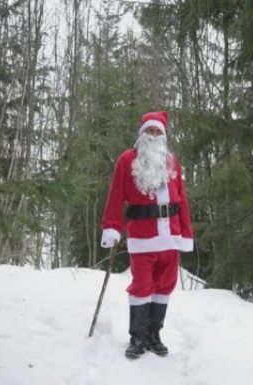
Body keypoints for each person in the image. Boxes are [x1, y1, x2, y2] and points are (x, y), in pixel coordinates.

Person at [100, 110, 194, 359]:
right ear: (142, 134)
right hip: (142, 238)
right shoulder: (127, 160)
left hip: (171, 237)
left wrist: (186, 232)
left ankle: (154, 335)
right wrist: (111, 226)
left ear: (162, 136)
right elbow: (116, 195)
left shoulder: (172, 162)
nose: (153, 135)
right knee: (142, 286)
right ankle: (138, 337)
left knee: (165, 286)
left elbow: (182, 200)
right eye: (149, 131)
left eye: (157, 132)